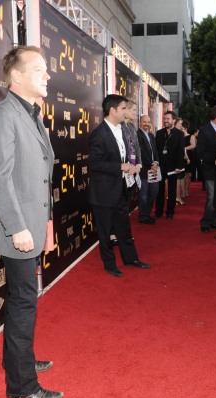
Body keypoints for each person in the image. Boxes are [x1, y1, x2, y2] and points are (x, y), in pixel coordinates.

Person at [0, 46, 63, 398]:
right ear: (16, 76)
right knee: (25, 301)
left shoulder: (31, 115)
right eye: (40, 69)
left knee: (23, 299)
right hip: (18, 229)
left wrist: (41, 222)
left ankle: (19, 361)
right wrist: (17, 228)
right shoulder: (2, 116)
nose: (48, 76)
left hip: (32, 222)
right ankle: (22, 385)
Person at [88, 94, 150, 277]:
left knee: (124, 227)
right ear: (112, 110)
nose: (126, 112)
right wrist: (119, 167)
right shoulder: (99, 134)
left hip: (122, 188)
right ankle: (110, 264)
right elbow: (94, 163)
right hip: (104, 193)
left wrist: (132, 166)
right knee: (105, 231)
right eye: (123, 108)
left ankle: (131, 258)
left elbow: (128, 153)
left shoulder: (124, 129)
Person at [197, 105, 216, 232]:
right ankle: (205, 222)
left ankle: (215, 221)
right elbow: (200, 152)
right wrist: (214, 159)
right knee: (212, 197)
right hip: (210, 169)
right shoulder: (205, 130)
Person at [154, 111, 185, 219]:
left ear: (174, 120)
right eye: (164, 118)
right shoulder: (159, 133)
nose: (165, 121)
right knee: (159, 190)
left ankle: (170, 212)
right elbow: (156, 150)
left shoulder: (180, 134)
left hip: (173, 167)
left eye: (168, 119)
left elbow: (181, 152)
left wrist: (178, 166)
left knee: (172, 190)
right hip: (160, 166)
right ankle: (158, 212)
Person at [137, 114, 160, 224]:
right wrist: (151, 164)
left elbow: (155, 151)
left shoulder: (151, 135)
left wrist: (156, 162)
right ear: (140, 122)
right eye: (144, 122)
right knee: (144, 195)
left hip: (153, 169)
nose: (146, 124)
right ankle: (143, 216)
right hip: (143, 171)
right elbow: (141, 153)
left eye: (148, 122)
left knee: (154, 192)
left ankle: (147, 213)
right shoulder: (137, 135)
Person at [184, 126, 198, 198]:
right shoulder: (178, 136)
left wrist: (183, 148)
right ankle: (182, 190)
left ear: (185, 128)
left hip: (190, 156)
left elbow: (193, 145)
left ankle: (186, 189)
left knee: (188, 174)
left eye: (182, 128)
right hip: (181, 156)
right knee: (182, 175)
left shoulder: (191, 136)